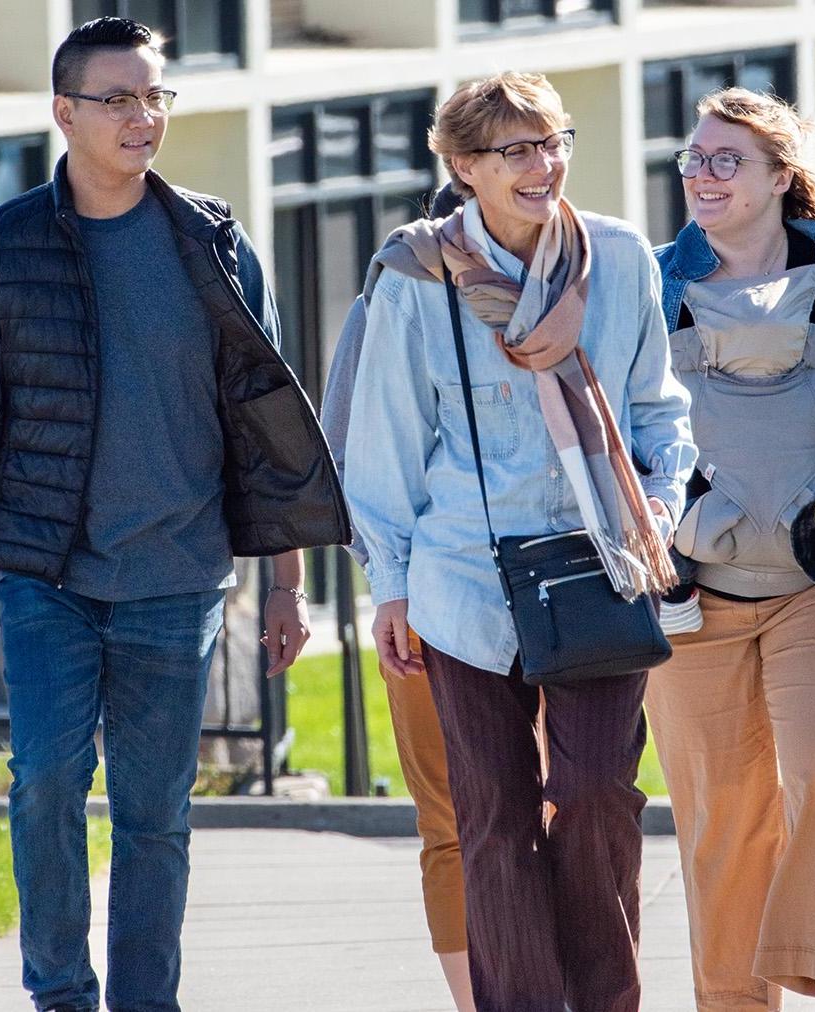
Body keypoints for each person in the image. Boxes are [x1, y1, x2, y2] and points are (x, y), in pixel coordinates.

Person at [0, 17, 344, 1011]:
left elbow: (266, 412)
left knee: (156, 816)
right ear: (64, 112)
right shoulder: (7, 247)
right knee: (44, 789)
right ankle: (62, 993)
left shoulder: (215, 244)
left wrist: (286, 581)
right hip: (48, 578)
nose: (142, 115)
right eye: (118, 98)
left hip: (180, 580)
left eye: (155, 95)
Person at [341, 71, 695, 1011]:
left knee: (592, 799)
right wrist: (392, 587)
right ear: (462, 167)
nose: (546, 166)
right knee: (490, 824)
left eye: (555, 142)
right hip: (463, 582)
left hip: (600, 570)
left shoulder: (619, 259)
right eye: (518, 150)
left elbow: (659, 410)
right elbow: (384, 447)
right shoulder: (415, 278)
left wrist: (656, 508)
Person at [647, 87, 815, 1011]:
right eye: (694, 159)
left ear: (781, 175)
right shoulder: (653, 282)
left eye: (728, 160)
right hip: (689, 594)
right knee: (723, 824)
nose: (704, 176)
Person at [320, 182, 475, 1012]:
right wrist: (392, 582)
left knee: (561, 804)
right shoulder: (383, 300)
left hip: (550, 597)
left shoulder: (578, 282)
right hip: (420, 598)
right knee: (448, 817)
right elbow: (345, 458)